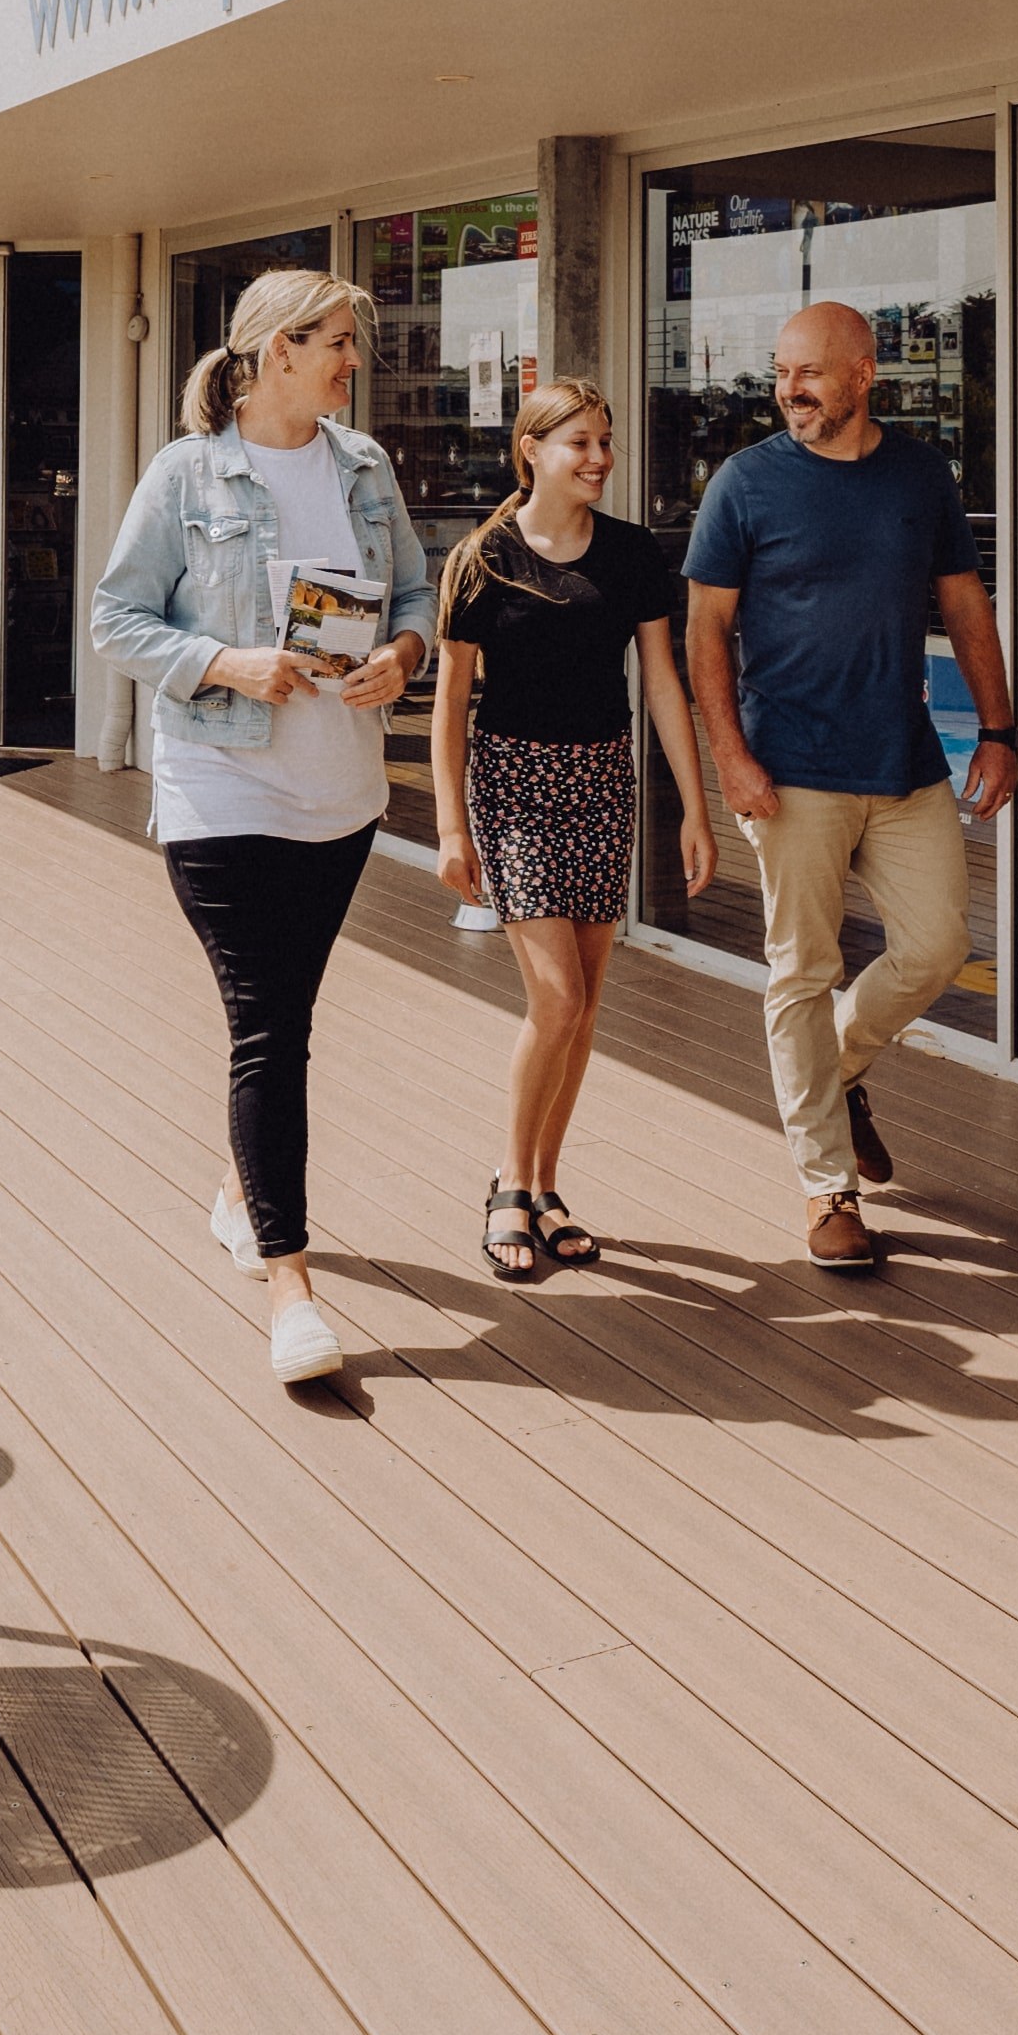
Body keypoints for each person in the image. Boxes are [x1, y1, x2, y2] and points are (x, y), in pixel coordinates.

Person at [89, 265, 426, 1383]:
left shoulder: (365, 465)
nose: (352, 359)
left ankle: (240, 1189)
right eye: (336, 339)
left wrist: (401, 657)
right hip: (222, 787)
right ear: (276, 347)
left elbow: (416, 597)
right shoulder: (186, 473)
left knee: (287, 1014)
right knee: (269, 1027)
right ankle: (291, 1286)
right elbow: (116, 618)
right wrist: (223, 659)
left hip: (343, 796)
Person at [684, 301, 1013, 1276]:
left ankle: (835, 1069)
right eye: (782, 371)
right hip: (788, 774)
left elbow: (963, 604)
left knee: (938, 944)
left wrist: (997, 729)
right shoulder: (744, 485)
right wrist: (729, 756)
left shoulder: (919, 476)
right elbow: (704, 632)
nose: (791, 389)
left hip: (903, 761)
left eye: (812, 372)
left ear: (865, 372)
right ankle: (827, 1187)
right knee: (800, 969)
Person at [427, 381, 717, 1280]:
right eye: (579, 443)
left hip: (602, 778)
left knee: (584, 1006)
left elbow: (663, 683)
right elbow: (447, 706)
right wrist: (450, 826)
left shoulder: (631, 553)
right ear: (531, 451)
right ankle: (509, 1183)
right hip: (513, 781)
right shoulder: (481, 558)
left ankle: (547, 1188)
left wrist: (695, 809)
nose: (598, 457)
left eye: (605, 441)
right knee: (554, 997)